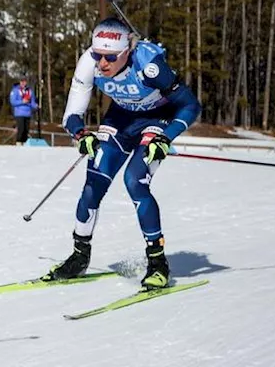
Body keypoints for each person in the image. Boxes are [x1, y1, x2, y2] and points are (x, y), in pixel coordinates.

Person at [45, 18, 202, 290]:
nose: (102, 63)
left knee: (134, 180)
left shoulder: (149, 67)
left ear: (127, 52)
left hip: (158, 119)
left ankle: (157, 263)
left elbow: (190, 105)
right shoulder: (88, 64)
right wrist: (81, 135)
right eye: (97, 54)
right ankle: (79, 256)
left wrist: (166, 138)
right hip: (121, 119)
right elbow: (72, 114)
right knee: (94, 180)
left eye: (110, 57)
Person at [9, 77, 38, 145]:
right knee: (21, 130)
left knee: (26, 131)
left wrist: (36, 106)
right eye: (21, 81)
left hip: (28, 113)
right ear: (19, 82)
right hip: (19, 113)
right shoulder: (15, 90)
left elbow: (32, 102)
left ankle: (25, 144)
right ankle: (19, 144)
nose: (23, 83)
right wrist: (22, 101)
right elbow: (13, 101)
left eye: (24, 81)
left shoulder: (30, 91)